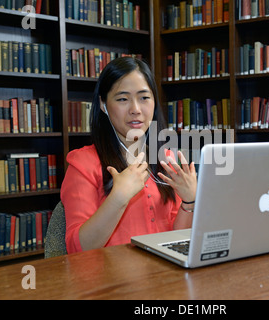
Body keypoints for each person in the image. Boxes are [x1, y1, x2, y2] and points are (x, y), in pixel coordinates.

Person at [61, 57, 197, 253]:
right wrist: (118, 198)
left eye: (144, 97)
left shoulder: (166, 158)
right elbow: (77, 248)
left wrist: (189, 201)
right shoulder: (83, 163)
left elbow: (177, 240)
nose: (135, 109)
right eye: (123, 99)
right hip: (112, 279)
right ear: (103, 105)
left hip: (166, 276)